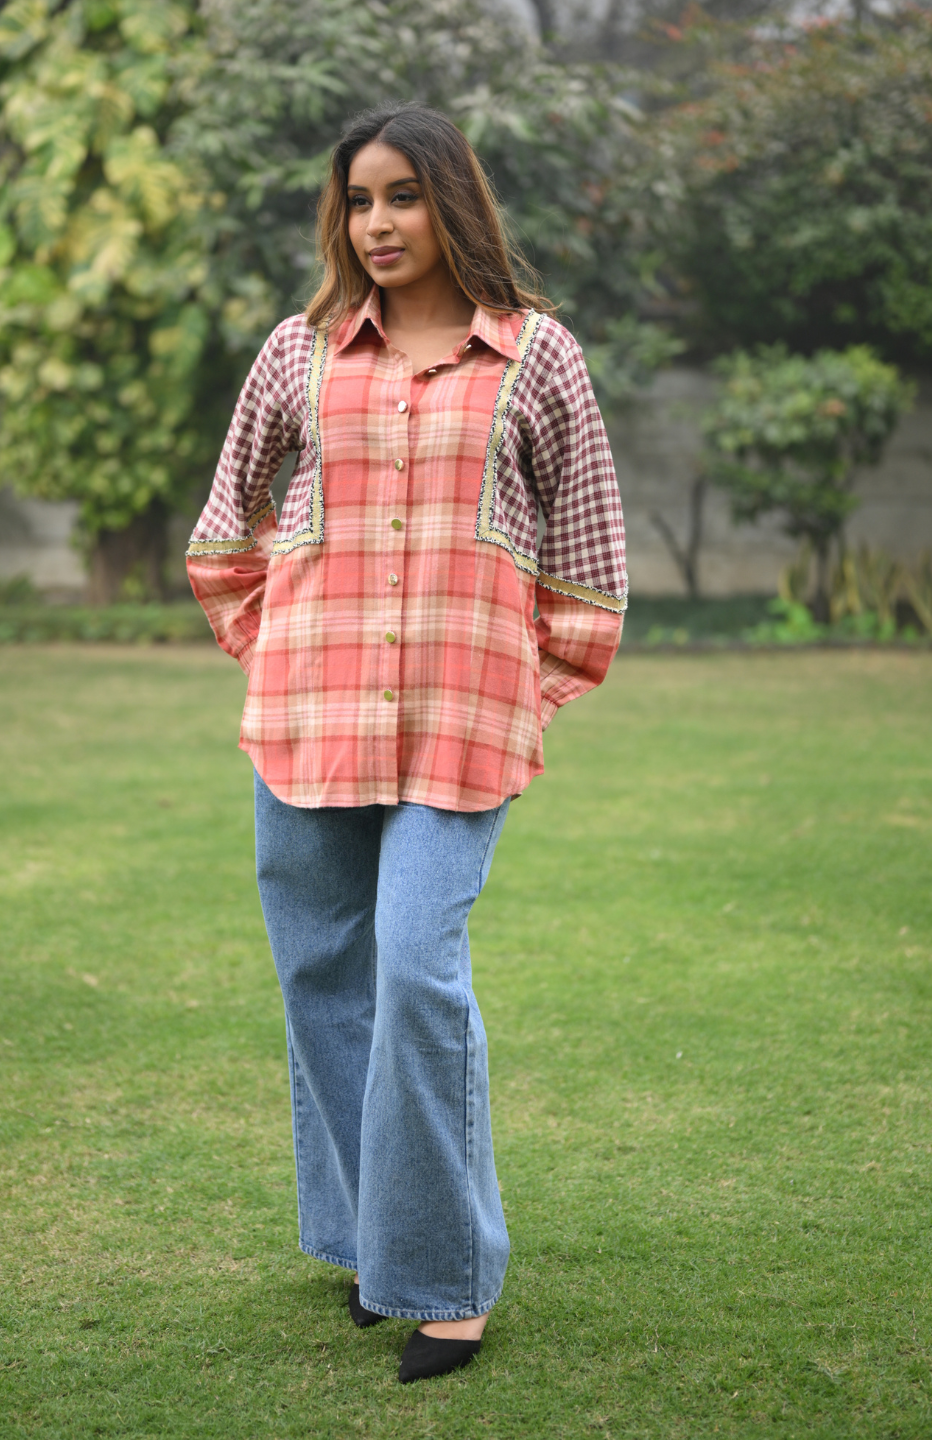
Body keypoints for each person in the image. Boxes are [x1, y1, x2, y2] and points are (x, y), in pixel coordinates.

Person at [187, 103, 627, 1384]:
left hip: (461, 724)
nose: (377, 223)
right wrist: (276, 651)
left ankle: (443, 1279)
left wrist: (526, 690)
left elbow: (588, 562)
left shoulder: (537, 356)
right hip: (307, 724)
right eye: (358, 200)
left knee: (418, 969)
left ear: (453, 202)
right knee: (323, 973)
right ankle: (371, 1242)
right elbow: (225, 531)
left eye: (403, 196)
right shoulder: (299, 350)